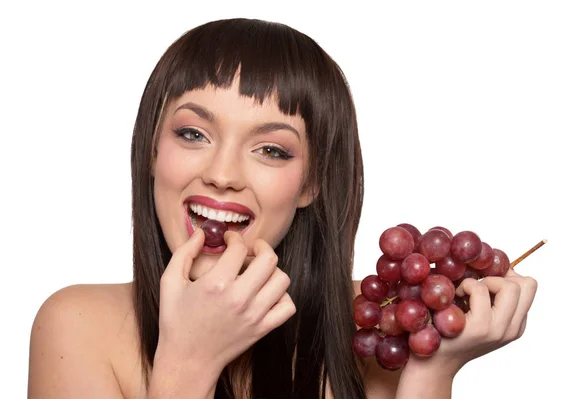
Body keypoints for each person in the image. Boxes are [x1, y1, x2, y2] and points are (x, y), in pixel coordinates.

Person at [27, 18, 538, 399]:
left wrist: (432, 370)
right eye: (192, 133)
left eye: (271, 149)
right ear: (152, 153)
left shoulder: (374, 326)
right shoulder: (77, 325)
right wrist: (187, 364)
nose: (222, 174)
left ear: (311, 183)